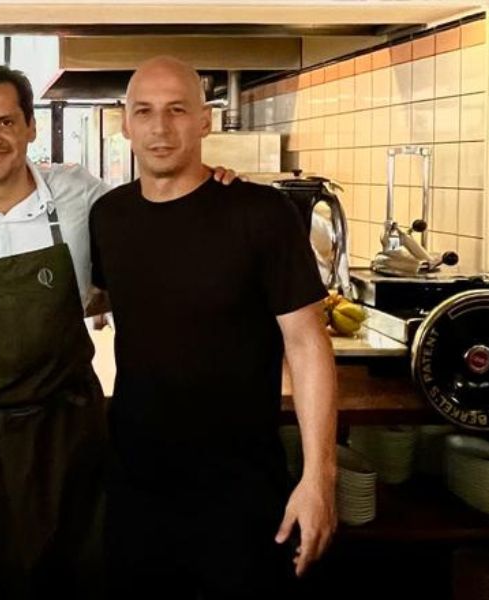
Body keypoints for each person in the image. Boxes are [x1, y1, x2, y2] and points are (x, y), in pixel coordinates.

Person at [0, 63, 236, 598]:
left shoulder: (80, 195)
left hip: (67, 428)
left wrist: (208, 182)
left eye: (6, 122)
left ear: (31, 126)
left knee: (77, 572)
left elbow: (151, 219)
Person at [88, 56, 338, 599]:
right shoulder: (108, 215)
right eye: (144, 112)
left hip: (239, 489)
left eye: (177, 110)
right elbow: (110, 297)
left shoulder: (260, 213)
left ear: (205, 120)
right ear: (124, 123)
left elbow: (307, 343)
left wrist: (320, 478)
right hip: (136, 485)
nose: (160, 128)